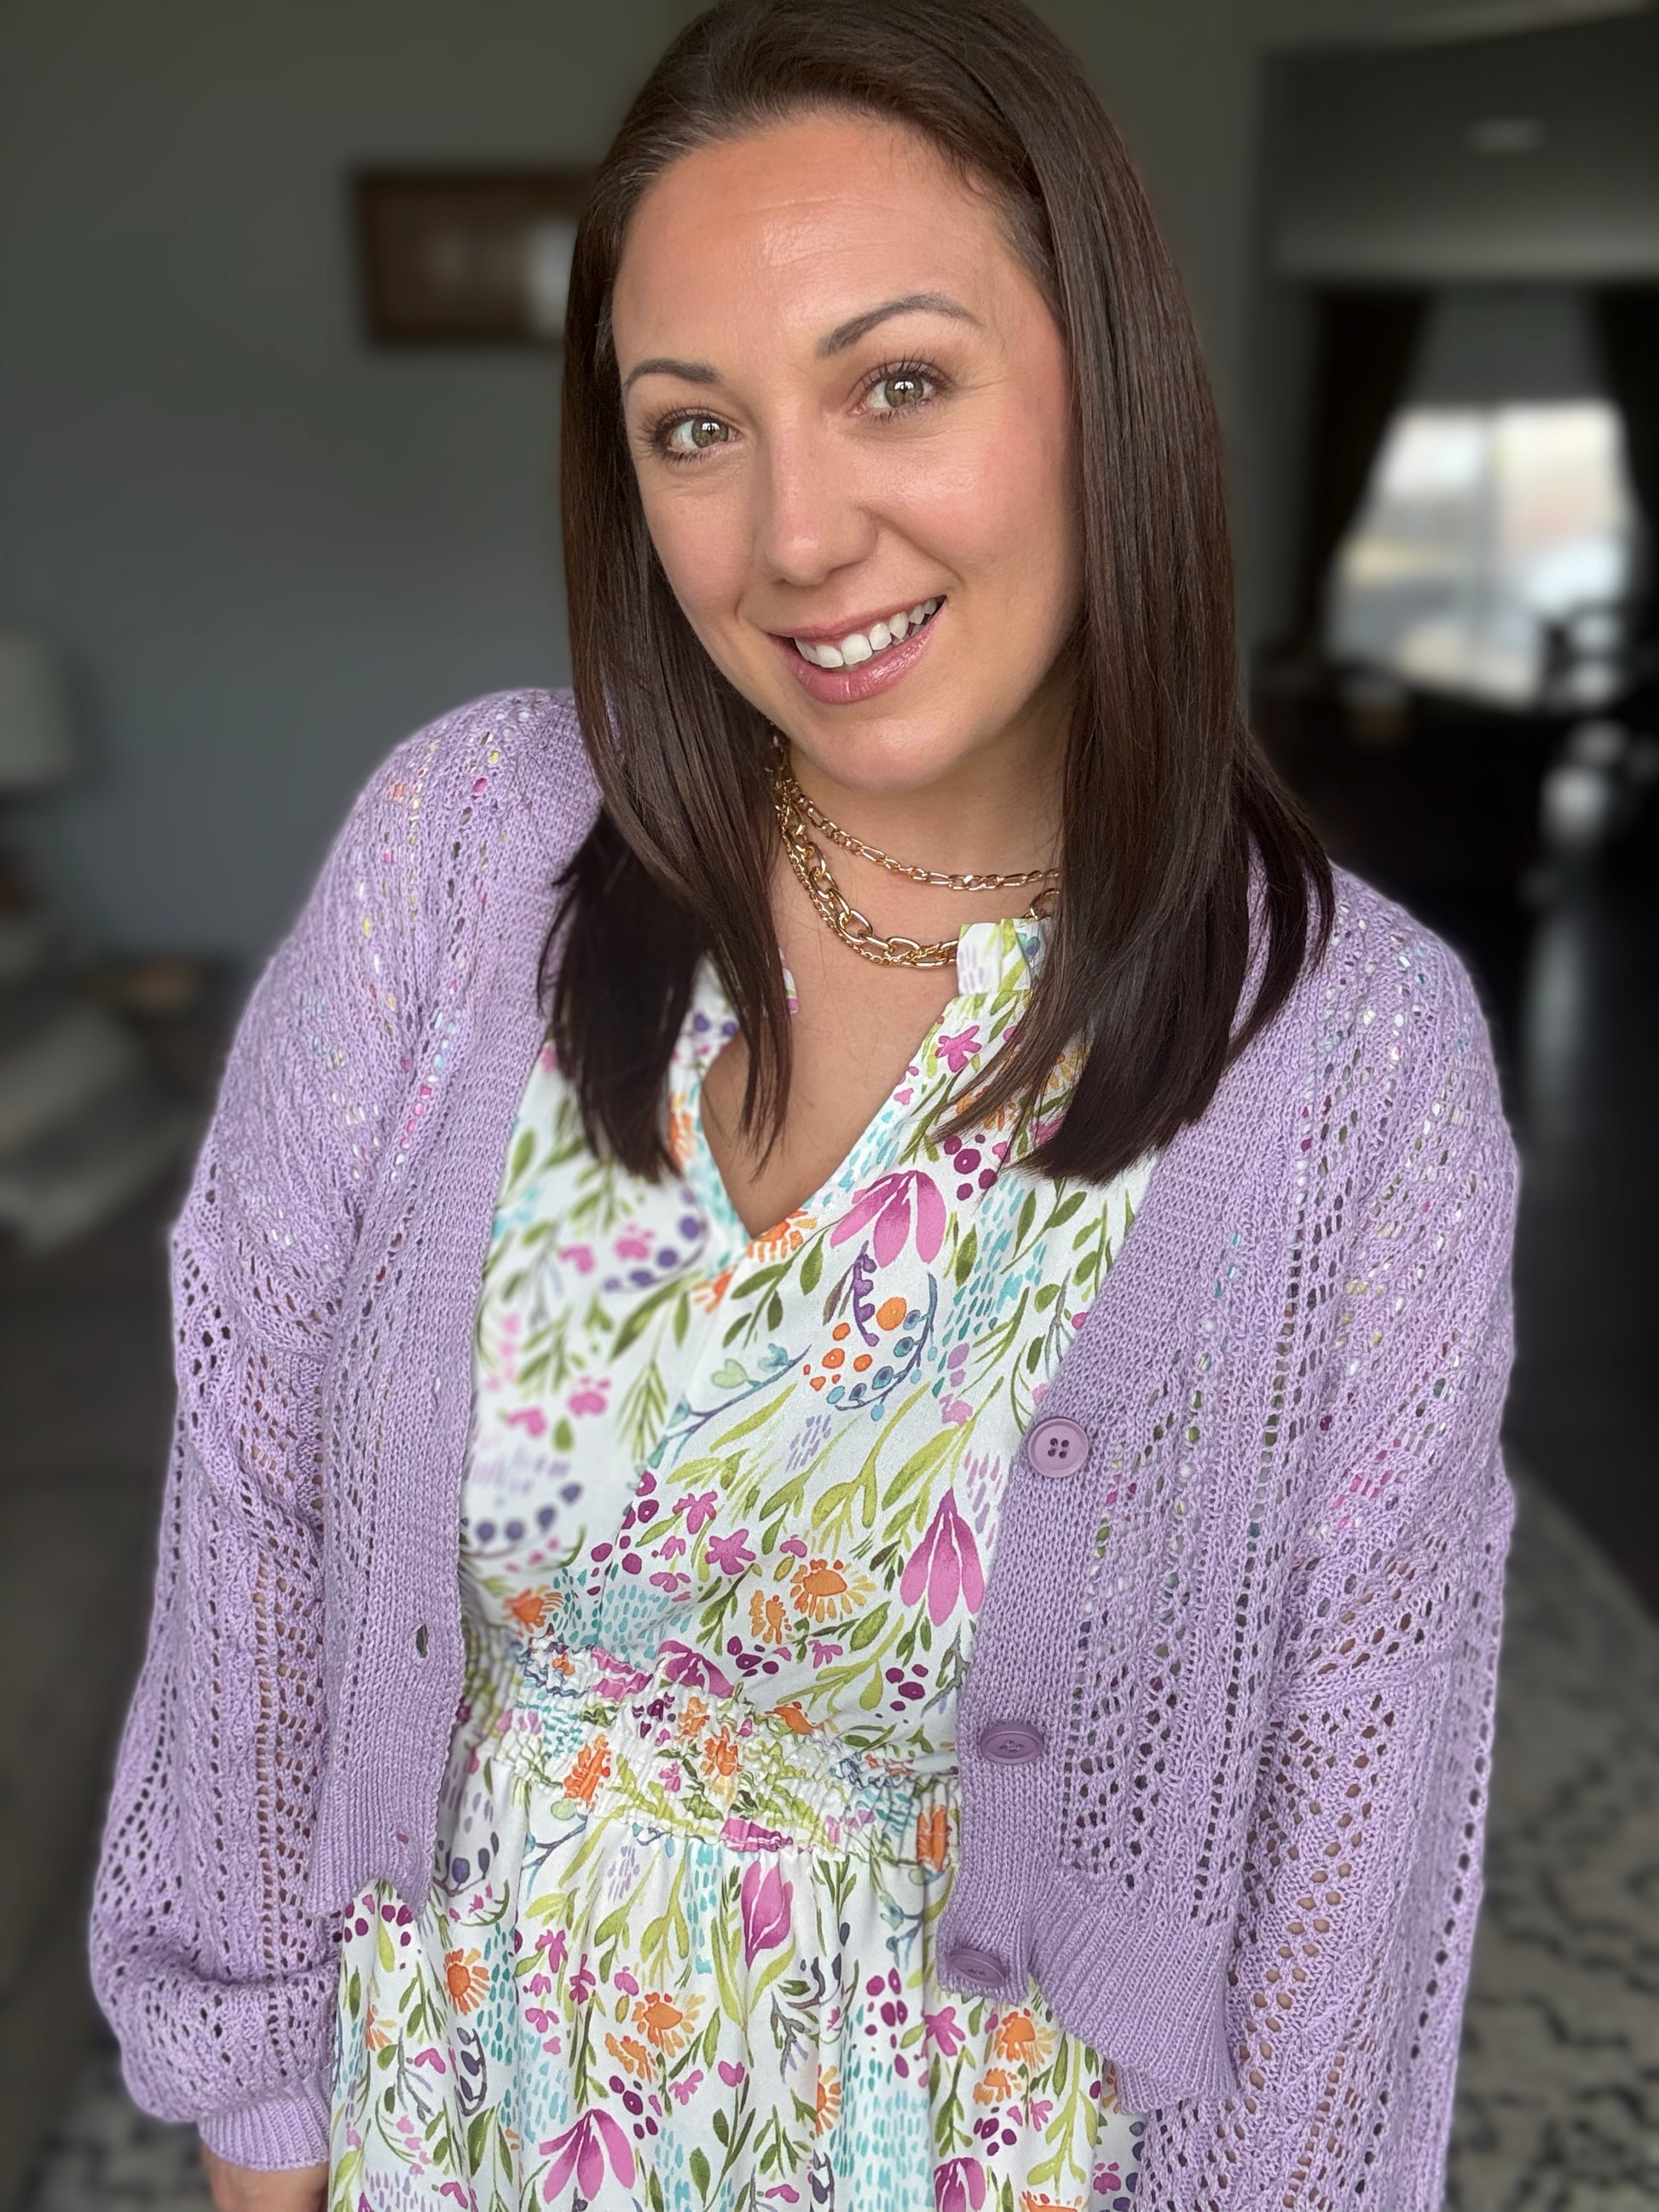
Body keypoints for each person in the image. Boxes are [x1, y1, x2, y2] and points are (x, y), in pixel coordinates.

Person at [89, 2, 1519, 2207]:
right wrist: (260, 2107)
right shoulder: (460, 855)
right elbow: (257, 1500)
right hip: (436, 2118)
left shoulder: (1354, 1066)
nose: (795, 535)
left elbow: (1347, 1834)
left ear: (1105, 380)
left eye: (898, 384)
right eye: (693, 427)